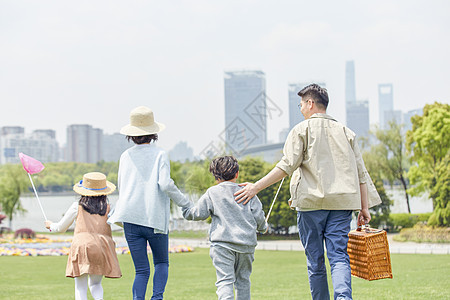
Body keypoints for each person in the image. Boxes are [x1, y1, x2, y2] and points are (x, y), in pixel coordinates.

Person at [235, 84, 381, 300]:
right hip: (341, 207)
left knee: (315, 261)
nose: (301, 108)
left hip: (310, 205)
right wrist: (365, 208)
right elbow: (361, 174)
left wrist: (254, 187)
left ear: (310, 104)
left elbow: (285, 166)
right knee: (339, 257)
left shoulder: (300, 130)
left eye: (302, 103)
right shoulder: (346, 132)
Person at [107, 106, 193, 300]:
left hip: (130, 218)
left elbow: (122, 186)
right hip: (154, 218)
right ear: (154, 133)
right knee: (161, 263)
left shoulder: (125, 156)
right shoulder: (160, 154)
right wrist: (185, 203)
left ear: (131, 134)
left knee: (141, 271)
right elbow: (165, 184)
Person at [182, 156, 268, 300]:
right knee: (243, 282)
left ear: (216, 176)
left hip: (222, 245)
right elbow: (259, 217)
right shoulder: (248, 191)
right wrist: (263, 227)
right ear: (237, 174)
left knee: (225, 282)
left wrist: (184, 207)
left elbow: (197, 214)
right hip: (246, 246)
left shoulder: (212, 192)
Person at [45, 172, 121, 300]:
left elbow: (61, 228)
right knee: (96, 284)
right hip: (102, 247)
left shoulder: (77, 206)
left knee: (80, 287)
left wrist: (50, 225)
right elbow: (121, 222)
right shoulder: (109, 208)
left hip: (82, 246)